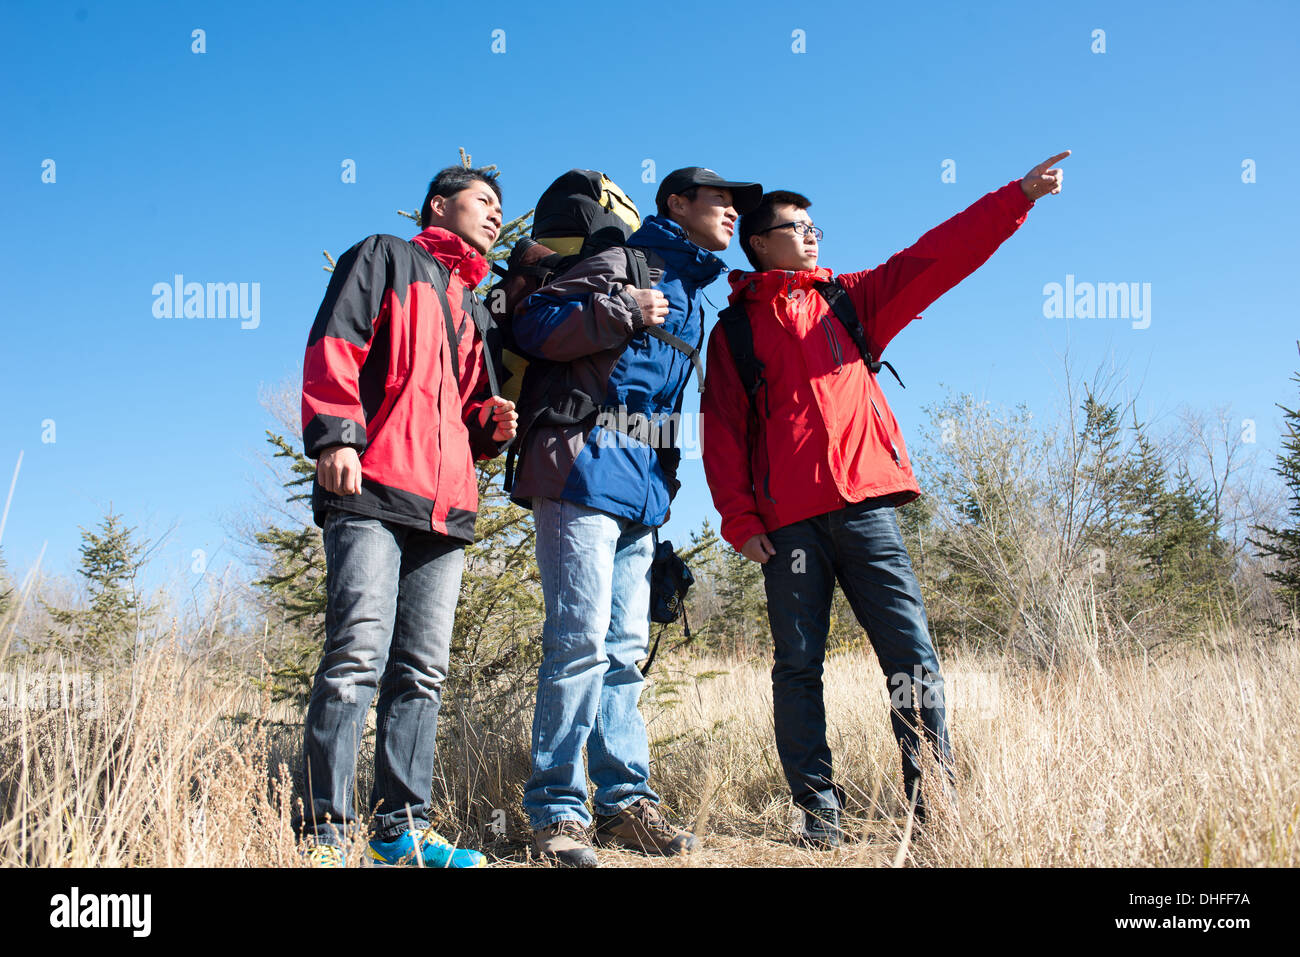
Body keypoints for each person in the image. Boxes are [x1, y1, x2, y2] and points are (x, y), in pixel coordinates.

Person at [700, 152, 1070, 846]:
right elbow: (720, 429)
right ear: (758, 241)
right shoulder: (736, 333)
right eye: (795, 226)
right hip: (788, 527)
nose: (811, 234)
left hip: (867, 509)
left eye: (814, 224)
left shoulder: (851, 300)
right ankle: (818, 817)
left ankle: (935, 808)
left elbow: (937, 257)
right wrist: (739, 520)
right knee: (798, 667)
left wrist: (1015, 197)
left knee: (912, 658)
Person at [510, 167, 762, 866]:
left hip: (640, 493)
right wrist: (621, 310)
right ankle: (557, 813)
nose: (733, 214)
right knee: (578, 642)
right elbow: (532, 326)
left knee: (622, 653)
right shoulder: (625, 264)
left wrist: (666, 487)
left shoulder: (695, 296)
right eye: (721, 201)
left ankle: (624, 804)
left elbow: (658, 404)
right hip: (579, 472)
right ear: (676, 203)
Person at [296, 165, 518, 867]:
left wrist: (492, 422)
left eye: (499, 207)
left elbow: (468, 407)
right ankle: (323, 832)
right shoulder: (385, 256)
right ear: (438, 204)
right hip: (369, 488)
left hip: (446, 508)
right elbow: (337, 340)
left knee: (421, 671)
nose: (493, 214)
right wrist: (335, 434)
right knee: (356, 657)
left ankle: (400, 833)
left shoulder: (475, 306)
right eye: (483, 200)